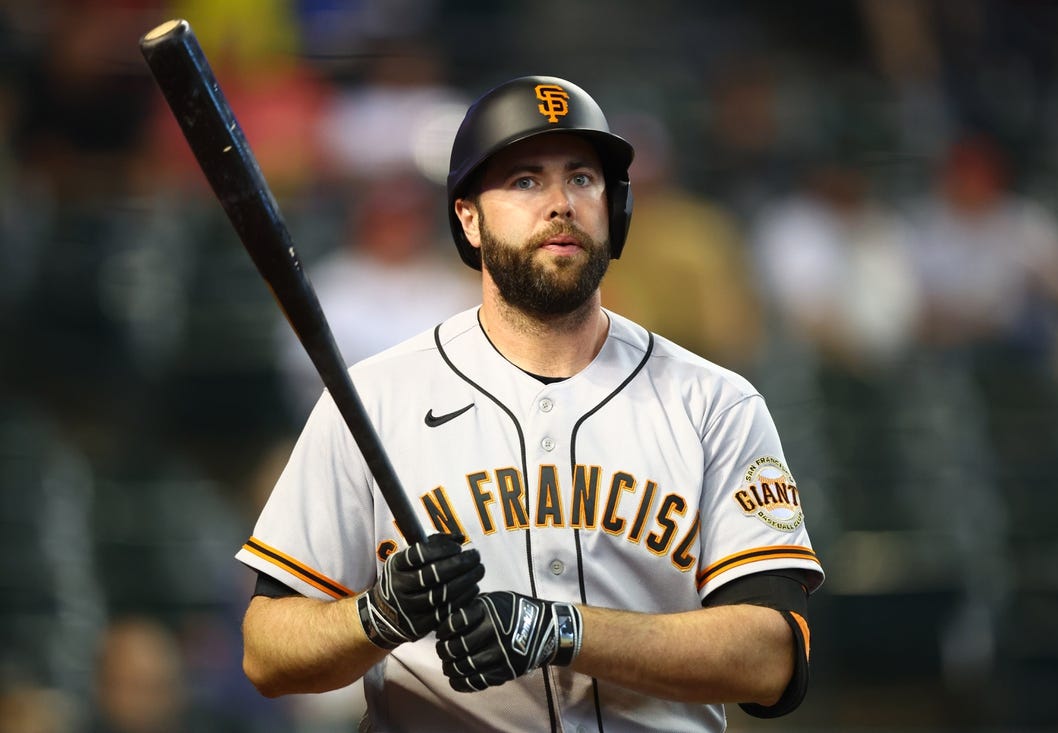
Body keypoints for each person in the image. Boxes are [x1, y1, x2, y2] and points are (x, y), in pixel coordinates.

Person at [236, 75, 824, 732]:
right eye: (524, 181)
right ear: (468, 217)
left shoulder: (715, 403)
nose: (560, 203)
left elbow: (774, 657)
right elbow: (266, 651)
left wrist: (563, 630)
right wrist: (375, 616)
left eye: (582, 178)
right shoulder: (376, 398)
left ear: (616, 208)